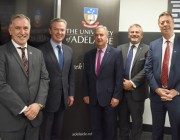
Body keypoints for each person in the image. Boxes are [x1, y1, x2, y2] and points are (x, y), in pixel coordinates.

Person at [0, 14, 49, 140]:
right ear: (10, 31)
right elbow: (1, 84)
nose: (22, 32)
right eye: (18, 28)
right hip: (11, 121)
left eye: (26, 28)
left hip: (34, 122)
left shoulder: (38, 53)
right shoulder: (2, 53)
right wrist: (24, 109)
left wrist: (38, 104)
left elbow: (44, 79)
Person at [83, 25, 123, 140]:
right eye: (96, 35)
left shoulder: (116, 53)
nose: (99, 37)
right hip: (93, 98)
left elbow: (119, 77)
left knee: (110, 129)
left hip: (110, 99)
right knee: (96, 129)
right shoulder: (88, 55)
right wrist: (86, 94)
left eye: (101, 35)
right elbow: (86, 77)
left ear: (107, 37)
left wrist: (116, 96)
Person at [145, 11, 180, 140]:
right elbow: (148, 69)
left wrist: (176, 91)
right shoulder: (153, 45)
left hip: (176, 96)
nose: (165, 24)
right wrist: (157, 89)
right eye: (162, 23)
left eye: (168, 22)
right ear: (159, 26)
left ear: (173, 23)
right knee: (156, 130)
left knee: (177, 131)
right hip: (157, 96)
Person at [39, 18, 75, 140]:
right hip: (45, 99)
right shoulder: (40, 51)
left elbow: (70, 74)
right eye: (56, 29)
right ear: (50, 30)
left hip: (63, 99)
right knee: (45, 133)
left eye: (62, 30)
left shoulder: (69, 50)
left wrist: (71, 94)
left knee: (57, 132)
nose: (59, 32)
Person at [117, 24, 149, 140]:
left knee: (137, 122)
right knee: (122, 122)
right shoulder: (120, 48)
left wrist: (132, 83)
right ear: (128, 34)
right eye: (132, 32)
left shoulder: (147, 49)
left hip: (137, 92)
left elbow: (147, 69)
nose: (134, 34)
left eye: (137, 32)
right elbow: (115, 68)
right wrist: (122, 82)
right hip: (121, 92)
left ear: (141, 35)